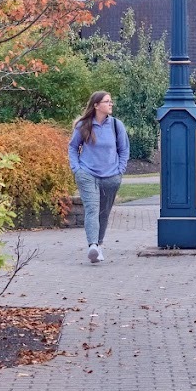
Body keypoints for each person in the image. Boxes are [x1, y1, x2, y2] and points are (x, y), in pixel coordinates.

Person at [67, 91, 129, 264]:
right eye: (107, 101)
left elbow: (124, 150)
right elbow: (72, 147)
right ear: (96, 105)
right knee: (92, 209)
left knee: (104, 212)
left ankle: (99, 244)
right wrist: (76, 169)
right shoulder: (83, 125)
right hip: (87, 174)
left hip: (111, 176)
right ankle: (92, 245)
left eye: (111, 101)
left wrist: (120, 170)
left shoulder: (117, 125)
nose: (111, 104)